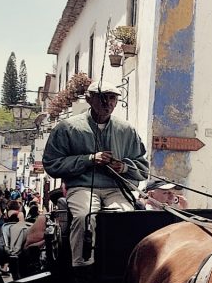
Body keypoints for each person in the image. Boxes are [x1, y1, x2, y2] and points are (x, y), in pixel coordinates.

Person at [42, 81, 148, 271]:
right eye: (102, 97)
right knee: (84, 216)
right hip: (81, 187)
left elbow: (143, 168)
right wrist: (89, 159)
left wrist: (123, 166)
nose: (108, 103)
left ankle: (120, 267)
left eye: (112, 98)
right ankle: (82, 269)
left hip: (116, 188)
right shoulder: (67, 127)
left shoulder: (126, 130)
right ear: (89, 99)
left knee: (124, 217)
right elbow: (52, 163)